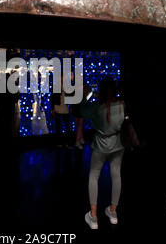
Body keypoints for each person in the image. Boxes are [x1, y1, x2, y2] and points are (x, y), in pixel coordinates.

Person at [81, 78, 126, 228]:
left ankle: (93, 217)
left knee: (93, 177)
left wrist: (85, 95)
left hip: (100, 146)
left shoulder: (96, 107)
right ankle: (113, 211)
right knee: (116, 176)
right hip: (118, 144)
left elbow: (81, 111)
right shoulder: (122, 104)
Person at [51, 79, 73, 148]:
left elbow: (71, 96)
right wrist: (53, 109)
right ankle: (59, 142)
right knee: (58, 127)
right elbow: (52, 98)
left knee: (67, 127)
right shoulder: (55, 86)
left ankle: (68, 143)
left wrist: (71, 106)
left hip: (65, 108)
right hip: (57, 108)